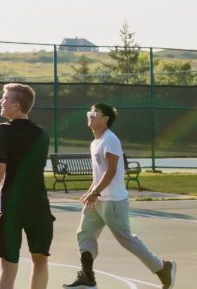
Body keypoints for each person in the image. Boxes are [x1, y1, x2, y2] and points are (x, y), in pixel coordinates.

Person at [63, 103, 176, 289]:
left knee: (126, 239)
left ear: (106, 118)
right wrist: (91, 190)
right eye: (89, 112)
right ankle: (87, 277)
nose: (90, 115)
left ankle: (163, 268)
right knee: (85, 234)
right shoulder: (95, 142)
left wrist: (96, 192)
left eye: (95, 113)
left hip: (114, 200)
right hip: (97, 199)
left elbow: (112, 171)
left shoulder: (110, 140)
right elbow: (99, 173)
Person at [0, 83, 53, 289]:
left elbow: (0, 167)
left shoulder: (3, 129)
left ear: (16, 105)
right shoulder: (42, 132)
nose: (0, 102)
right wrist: (2, 188)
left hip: (12, 206)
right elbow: (26, 168)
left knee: (9, 267)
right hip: (38, 205)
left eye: (5, 99)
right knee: (40, 261)